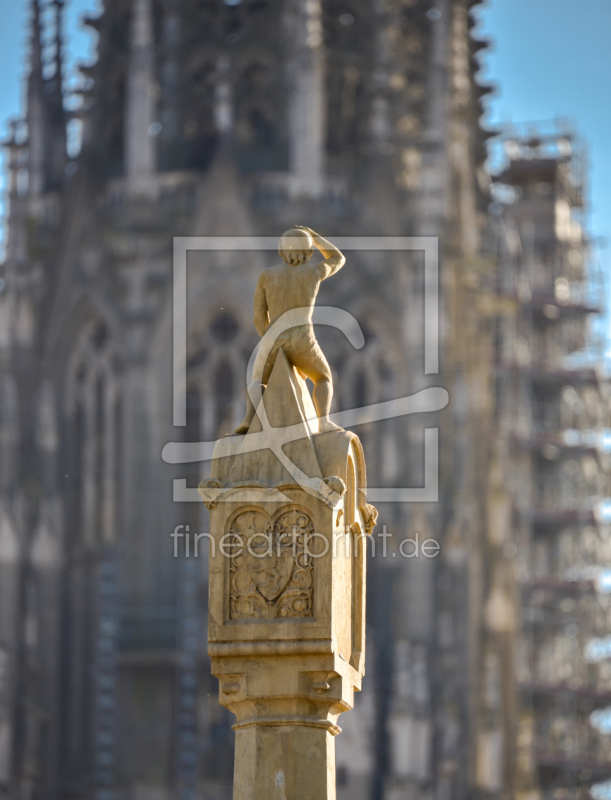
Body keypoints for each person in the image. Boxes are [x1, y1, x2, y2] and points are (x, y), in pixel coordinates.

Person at [234, 226, 345, 435]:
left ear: (281, 251)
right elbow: (338, 258)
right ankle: (324, 422)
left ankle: (248, 420)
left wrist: (268, 340)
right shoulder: (313, 273)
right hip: (303, 336)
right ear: (309, 252)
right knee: (323, 378)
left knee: (257, 380)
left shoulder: (266, 276)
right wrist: (315, 237)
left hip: (275, 336)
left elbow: (259, 317)